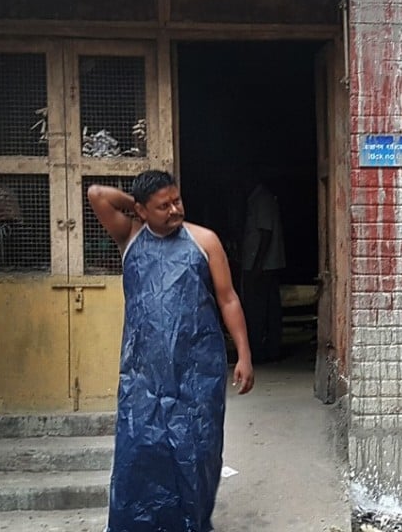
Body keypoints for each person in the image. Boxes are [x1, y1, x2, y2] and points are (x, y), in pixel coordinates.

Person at [87, 170, 254, 532]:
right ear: (141, 211)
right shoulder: (129, 236)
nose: (175, 209)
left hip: (198, 370)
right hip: (143, 373)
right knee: (140, 451)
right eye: (163, 206)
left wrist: (243, 354)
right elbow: (97, 194)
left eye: (176, 200)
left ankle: (191, 524)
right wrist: (134, 204)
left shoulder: (204, 240)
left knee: (197, 452)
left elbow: (228, 299)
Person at [240, 171, 286, 362]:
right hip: (259, 264)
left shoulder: (263, 199)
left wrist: (258, 265)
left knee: (260, 310)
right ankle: (262, 349)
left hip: (264, 266)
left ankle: (263, 350)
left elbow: (266, 234)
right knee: (263, 309)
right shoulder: (255, 199)